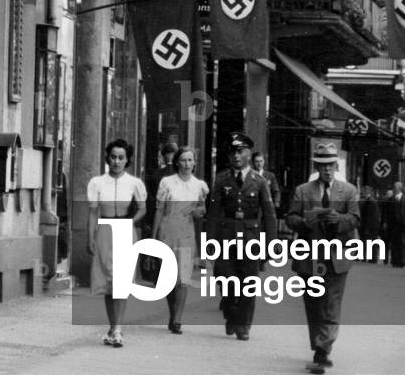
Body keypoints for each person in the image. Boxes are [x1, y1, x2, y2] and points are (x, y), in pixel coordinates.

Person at [286, 143, 360, 373]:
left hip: (337, 256)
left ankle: (322, 349)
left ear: (336, 165)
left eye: (330, 165)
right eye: (322, 165)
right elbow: (290, 218)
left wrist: (339, 220)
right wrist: (304, 222)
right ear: (316, 166)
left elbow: (356, 219)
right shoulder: (303, 191)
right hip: (309, 255)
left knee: (332, 303)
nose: (327, 170)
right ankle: (319, 346)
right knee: (314, 303)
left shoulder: (348, 191)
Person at [206, 131, 277, 341]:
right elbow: (213, 213)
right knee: (225, 278)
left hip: (251, 238)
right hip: (225, 237)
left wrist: (270, 244)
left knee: (248, 282)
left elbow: (269, 215)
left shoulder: (260, 181)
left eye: (240, 151)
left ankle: (243, 324)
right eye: (233, 152)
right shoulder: (221, 180)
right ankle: (230, 312)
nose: (236, 156)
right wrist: (209, 242)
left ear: (249, 153)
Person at [87, 138, 147, 347]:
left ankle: (118, 329)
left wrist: (130, 221)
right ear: (107, 158)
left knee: (121, 281)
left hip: (124, 230)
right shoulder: (97, 182)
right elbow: (93, 211)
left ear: (127, 159)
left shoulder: (134, 183)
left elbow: (142, 208)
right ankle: (112, 327)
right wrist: (90, 236)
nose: (116, 161)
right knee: (107, 282)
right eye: (113, 157)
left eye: (121, 157)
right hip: (104, 231)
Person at [152, 145, 208, 333]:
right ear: (177, 162)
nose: (186, 164)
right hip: (168, 229)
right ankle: (172, 312)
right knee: (168, 279)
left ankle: (177, 319)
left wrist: (199, 211)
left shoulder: (199, 186)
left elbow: (202, 209)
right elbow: (159, 210)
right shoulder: (167, 182)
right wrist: (154, 236)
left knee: (183, 278)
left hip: (187, 232)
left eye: (190, 160)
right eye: (183, 160)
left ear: (195, 163)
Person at [360, 186, 381, 262]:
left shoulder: (370, 201)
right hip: (371, 225)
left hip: (370, 226)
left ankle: (373, 258)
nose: (362, 193)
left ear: (367, 192)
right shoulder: (370, 200)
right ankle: (370, 257)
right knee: (370, 241)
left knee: (370, 241)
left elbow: (370, 215)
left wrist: (367, 227)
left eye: (363, 191)